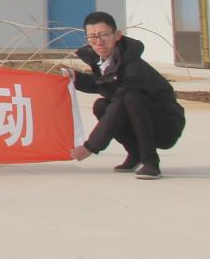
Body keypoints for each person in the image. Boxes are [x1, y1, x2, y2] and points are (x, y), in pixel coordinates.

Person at [60, 11, 185, 179]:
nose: (99, 42)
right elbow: (103, 84)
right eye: (92, 37)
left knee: (131, 98)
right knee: (101, 106)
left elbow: (119, 102)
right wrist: (75, 77)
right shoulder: (103, 60)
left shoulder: (132, 67)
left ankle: (151, 162)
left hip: (166, 125)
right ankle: (135, 153)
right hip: (140, 116)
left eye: (104, 35)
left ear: (117, 35)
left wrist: (91, 146)